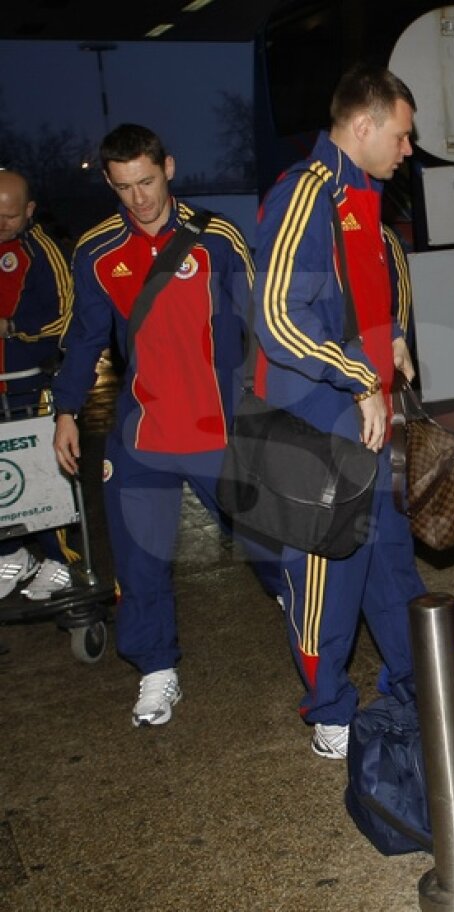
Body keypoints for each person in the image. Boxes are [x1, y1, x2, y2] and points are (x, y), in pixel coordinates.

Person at [52, 124, 270, 727]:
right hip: (142, 432)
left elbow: (260, 323)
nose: (139, 198)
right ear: (109, 182)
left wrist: (271, 404)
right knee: (139, 555)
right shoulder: (96, 251)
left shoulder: (216, 237)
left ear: (168, 168)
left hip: (216, 426)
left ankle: (306, 618)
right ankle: (155, 670)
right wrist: (66, 411)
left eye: (147, 181)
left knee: (270, 540)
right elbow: (84, 339)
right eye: (124, 187)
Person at [253, 63, 426, 760]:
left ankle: (419, 685)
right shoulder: (306, 191)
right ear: (363, 125)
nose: (408, 149)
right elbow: (277, 317)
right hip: (315, 418)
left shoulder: (361, 192)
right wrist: (360, 377)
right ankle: (329, 711)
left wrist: (395, 341)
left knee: (389, 561)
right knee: (324, 573)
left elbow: (359, 288)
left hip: (364, 413)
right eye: (402, 135)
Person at [0, 169, 75, 601]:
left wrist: (13, 327)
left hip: (30, 384)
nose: (1, 223)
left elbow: (65, 316)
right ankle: (11, 553)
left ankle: (60, 559)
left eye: (9, 216)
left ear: (29, 210)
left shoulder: (43, 251)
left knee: (41, 472)